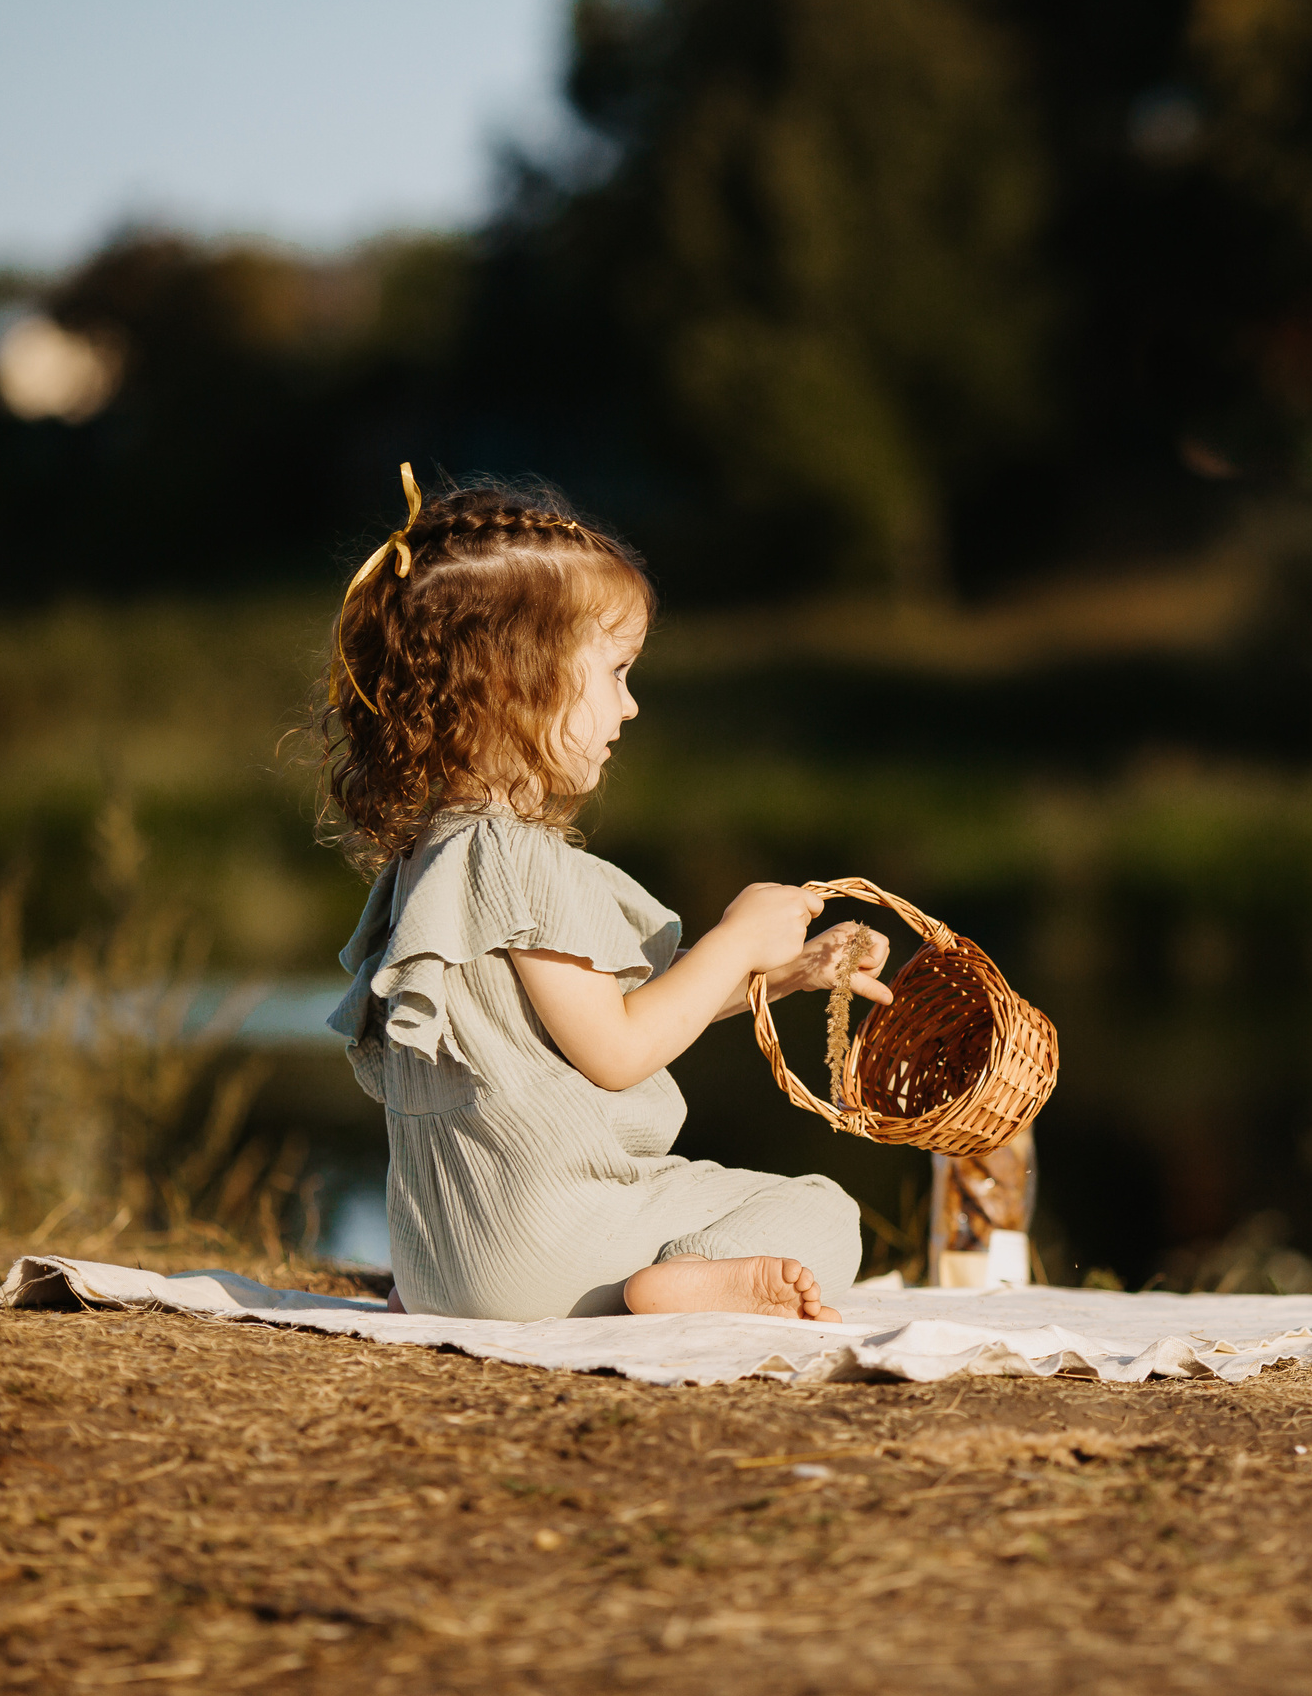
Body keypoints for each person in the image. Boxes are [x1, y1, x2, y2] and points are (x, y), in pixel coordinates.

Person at [315, 465, 886, 1323]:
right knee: (824, 1209)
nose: (631, 706)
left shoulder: (435, 858)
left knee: (768, 1200)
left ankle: (655, 1279)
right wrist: (736, 935)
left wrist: (788, 971)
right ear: (518, 681)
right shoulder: (518, 858)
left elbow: (606, 1011)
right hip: (555, 1250)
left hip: (446, 1269)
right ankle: (689, 1284)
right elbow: (618, 1048)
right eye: (616, 672)